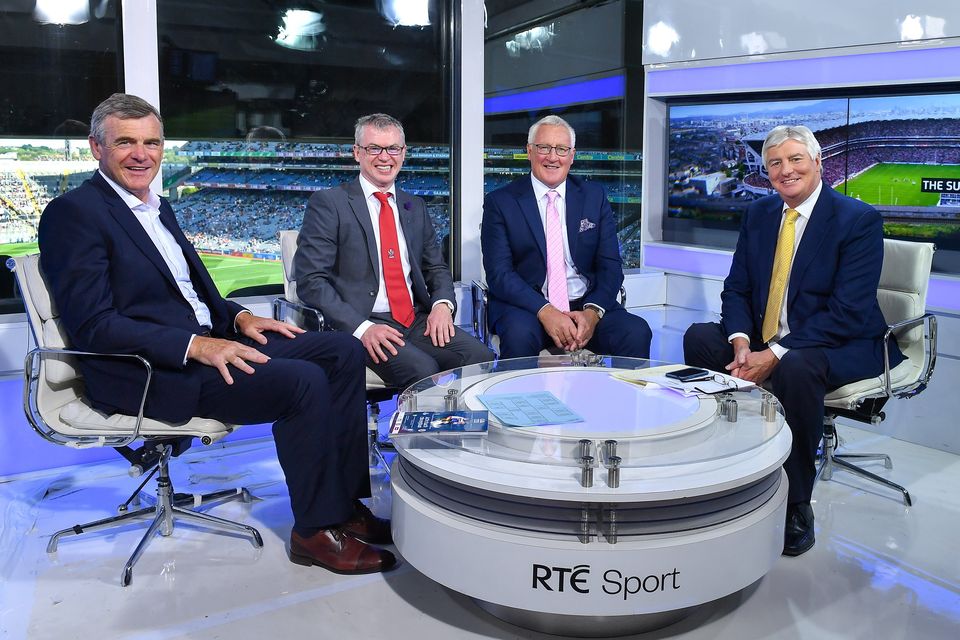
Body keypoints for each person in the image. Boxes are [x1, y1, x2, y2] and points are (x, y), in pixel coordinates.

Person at [37, 93, 396, 575]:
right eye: (125, 142)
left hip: (205, 343)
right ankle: (315, 529)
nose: (141, 153)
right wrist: (198, 345)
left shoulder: (157, 207)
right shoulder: (74, 213)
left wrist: (238, 319)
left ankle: (344, 505)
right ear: (95, 147)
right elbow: (95, 325)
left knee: (340, 351)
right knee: (302, 382)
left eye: (151, 142)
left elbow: (189, 296)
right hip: (153, 369)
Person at [682, 125, 903, 557]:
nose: (786, 170)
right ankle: (730, 465)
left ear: (818, 163)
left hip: (845, 341)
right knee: (701, 339)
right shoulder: (760, 215)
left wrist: (776, 353)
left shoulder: (857, 220)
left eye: (795, 159)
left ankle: (795, 502)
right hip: (769, 338)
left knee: (798, 366)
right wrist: (742, 341)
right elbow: (737, 288)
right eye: (775, 163)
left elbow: (848, 312)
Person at [294, 113, 492, 389]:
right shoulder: (330, 203)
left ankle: (465, 429)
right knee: (423, 370)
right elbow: (311, 282)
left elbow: (436, 268)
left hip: (414, 319)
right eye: (374, 148)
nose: (384, 157)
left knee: (480, 356)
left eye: (393, 148)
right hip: (362, 322)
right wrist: (362, 328)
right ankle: (422, 433)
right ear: (357, 153)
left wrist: (442, 306)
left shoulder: (415, 206)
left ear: (403, 153)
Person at [480, 115, 652, 359]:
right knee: (519, 336)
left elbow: (611, 266)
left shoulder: (594, 196)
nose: (552, 157)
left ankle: (624, 397)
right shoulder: (501, 202)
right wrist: (546, 311)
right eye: (544, 148)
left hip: (585, 303)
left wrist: (592, 313)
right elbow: (499, 274)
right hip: (528, 306)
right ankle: (520, 398)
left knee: (636, 331)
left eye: (561, 149)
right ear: (529, 151)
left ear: (572, 156)